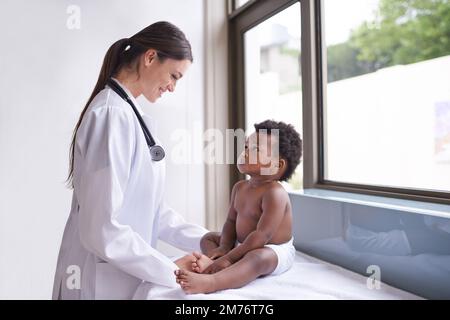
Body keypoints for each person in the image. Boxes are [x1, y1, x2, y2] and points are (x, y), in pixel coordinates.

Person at [52, 21, 209, 300]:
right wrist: (172, 270)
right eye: (174, 76)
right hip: (94, 282)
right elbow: (101, 229)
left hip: (117, 278)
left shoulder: (129, 114)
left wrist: (206, 240)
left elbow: (151, 211)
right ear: (150, 57)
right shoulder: (112, 115)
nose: (172, 87)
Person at [175, 120, 302, 294]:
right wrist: (224, 248)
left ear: (277, 165)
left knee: (257, 258)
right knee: (208, 238)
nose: (246, 153)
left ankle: (212, 281)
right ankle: (215, 263)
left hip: (271, 249)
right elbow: (230, 221)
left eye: (256, 149)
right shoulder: (240, 187)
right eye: (247, 146)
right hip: (242, 244)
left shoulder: (275, 193)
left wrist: (229, 258)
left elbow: (261, 236)